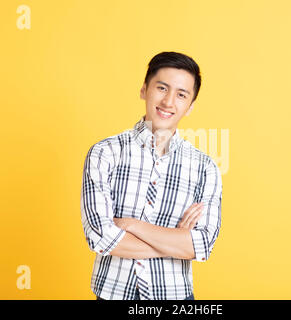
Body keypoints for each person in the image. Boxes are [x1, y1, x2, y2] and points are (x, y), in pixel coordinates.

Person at [80, 51, 222, 300]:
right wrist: (175, 244)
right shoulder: (105, 153)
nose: (169, 102)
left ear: (190, 106)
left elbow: (201, 245)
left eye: (181, 94)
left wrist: (132, 226)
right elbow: (100, 236)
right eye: (162, 88)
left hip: (175, 296)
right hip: (113, 293)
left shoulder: (205, 167)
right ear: (144, 90)